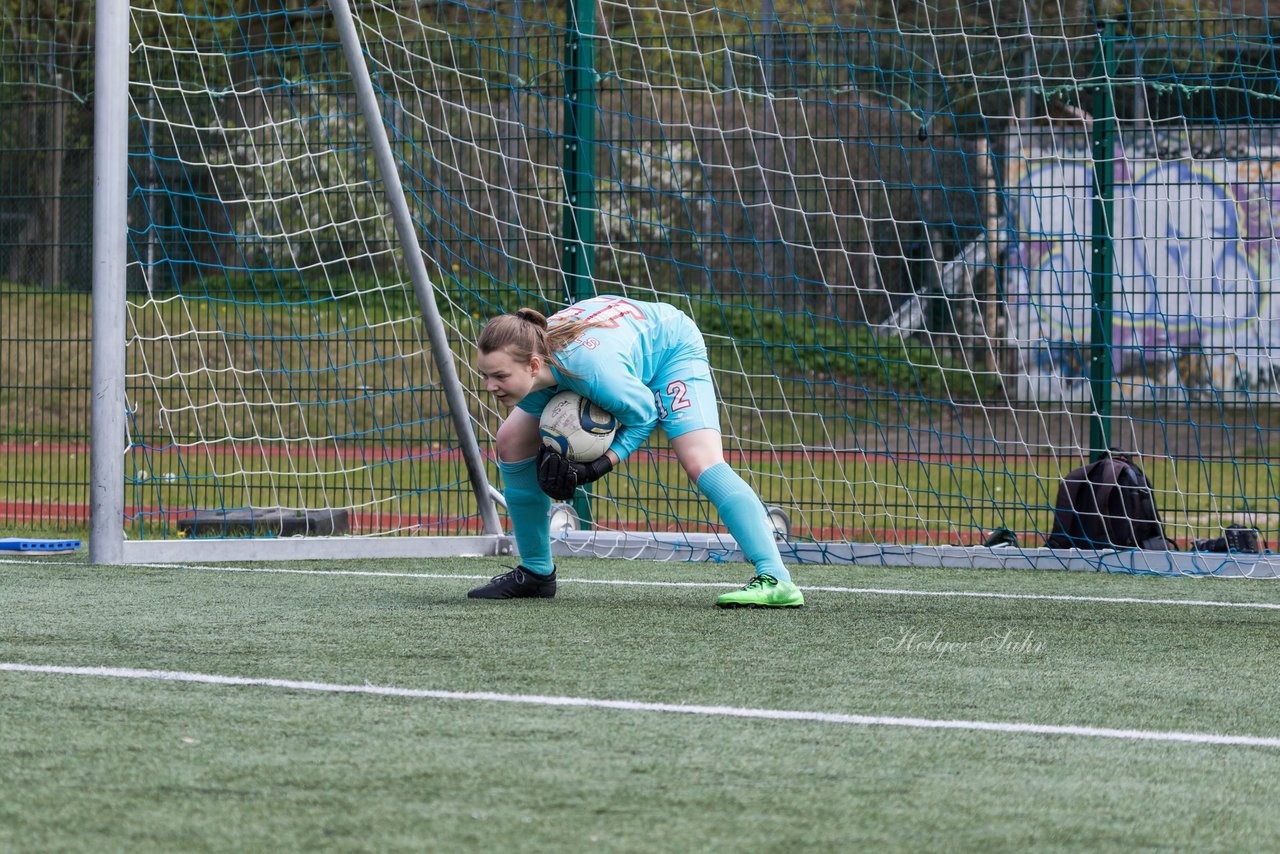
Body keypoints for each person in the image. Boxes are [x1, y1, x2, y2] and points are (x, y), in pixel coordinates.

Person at [468, 294, 803, 608]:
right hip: (600, 356)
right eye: (485, 375)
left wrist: (598, 465)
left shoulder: (594, 371)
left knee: (701, 461)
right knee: (511, 441)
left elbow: (644, 417)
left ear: (533, 365)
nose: (489, 386)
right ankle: (536, 573)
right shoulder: (534, 360)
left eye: (499, 376)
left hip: (671, 350)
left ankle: (776, 578)